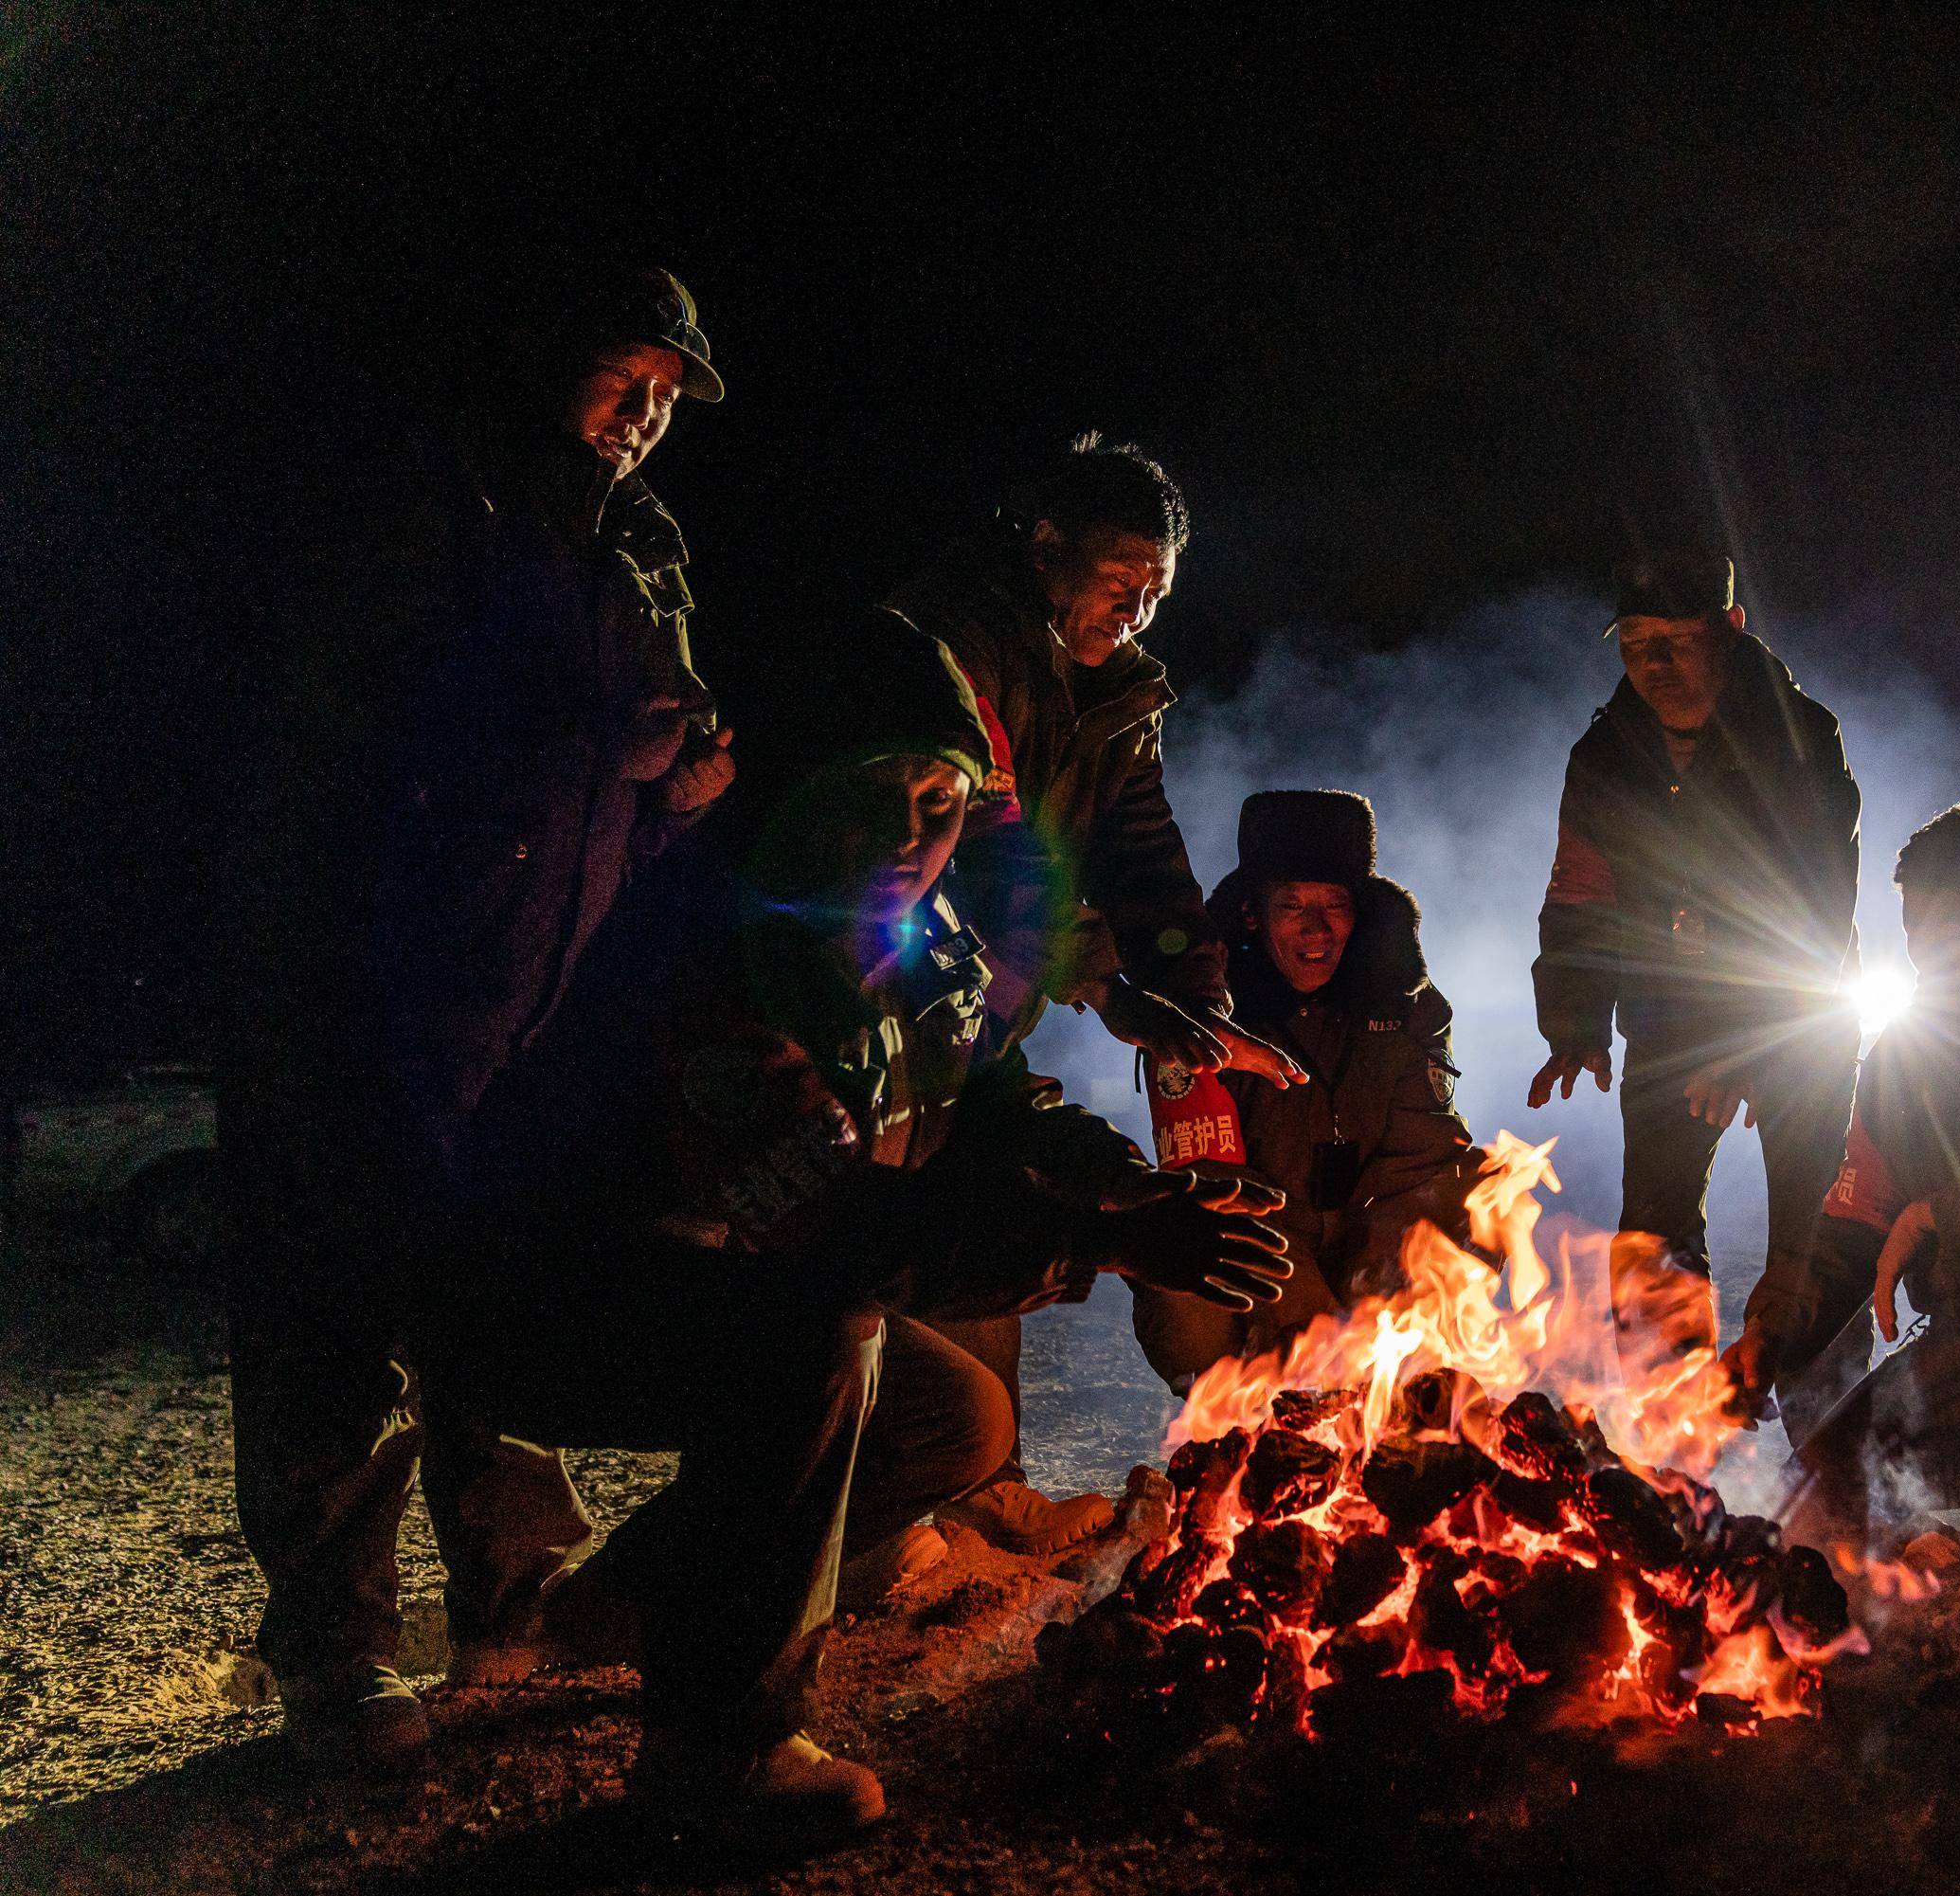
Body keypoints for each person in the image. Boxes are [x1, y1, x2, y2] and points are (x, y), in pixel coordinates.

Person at [446, 630, 1288, 1840]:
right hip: (540, 1287)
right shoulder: (716, 947)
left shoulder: (913, 920)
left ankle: (629, 1610)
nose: (909, 834)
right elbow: (835, 1228)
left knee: (956, 1422)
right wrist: (1090, 1249)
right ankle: (717, 1749)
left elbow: (995, 1096)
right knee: (814, 1329)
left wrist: (1125, 1192)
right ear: (794, 787)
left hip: (713, 1265)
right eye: (868, 794)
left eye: (939, 798)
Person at [222, 266, 737, 1766]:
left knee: (497, 1272)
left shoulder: (639, 537)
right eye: (624, 377)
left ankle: (516, 1593)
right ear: (551, 358)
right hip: (360, 965)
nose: (643, 416)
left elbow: (623, 771)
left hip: (530, 975)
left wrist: (673, 793)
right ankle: (334, 1652)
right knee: (336, 1300)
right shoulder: (431, 489)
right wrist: (589, 734)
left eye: (664, 397)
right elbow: (361, 718)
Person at [880, 433, 1301, 1551]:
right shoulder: (953, 640)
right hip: (895, 984)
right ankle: (931, 1497)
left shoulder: (1113, 689)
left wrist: (1195, 1003)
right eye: (1124, 577)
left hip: (987, 1005)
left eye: (1157, 591)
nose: (1138, 609)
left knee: (982, 1182)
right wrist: (1109, 987)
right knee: (922, 1217)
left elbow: (1143, 851)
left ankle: (976, 1492)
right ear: (1045, 543)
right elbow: (991, 846)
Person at [1526, 551, 1862, 1436]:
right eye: (1639, 644)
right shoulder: (1605, 753)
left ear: (1730, 629)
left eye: (1679, 641)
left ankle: (1834, 1464)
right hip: (1671, 1017)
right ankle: (1672, 1450)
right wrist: (1576, 1017)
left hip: (1798, 1013)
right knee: (1654, 1237)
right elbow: (1580, 892)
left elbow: (1815, 898)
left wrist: (1747, 1040)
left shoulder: (1798, 734)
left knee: (1812, 1237)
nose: (1657, 666)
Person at [1718, 797, 1960, 1543]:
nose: (1930, 955)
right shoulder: (1907, 1058)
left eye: (1953, 927)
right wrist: (1772, 1331)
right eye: (1915, 933)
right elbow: (1849, 1225)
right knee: (1820, 1495)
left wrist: (1941, 1214)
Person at [1129, 790, 1478, 1391]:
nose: (1317, 928)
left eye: (1335, 904)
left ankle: (1384, 1399)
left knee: (1470, 1192)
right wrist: (1313, 1324)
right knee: (1185, 1246)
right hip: (1254, 1270)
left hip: (1353, 1258)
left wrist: (1374, 1318)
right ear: (1252, 914)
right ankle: (1231, 1403)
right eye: (1291, 904)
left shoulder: (1405, 1010)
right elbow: (1214, 1185)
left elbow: (1421, 1170)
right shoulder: (1197, 1018)